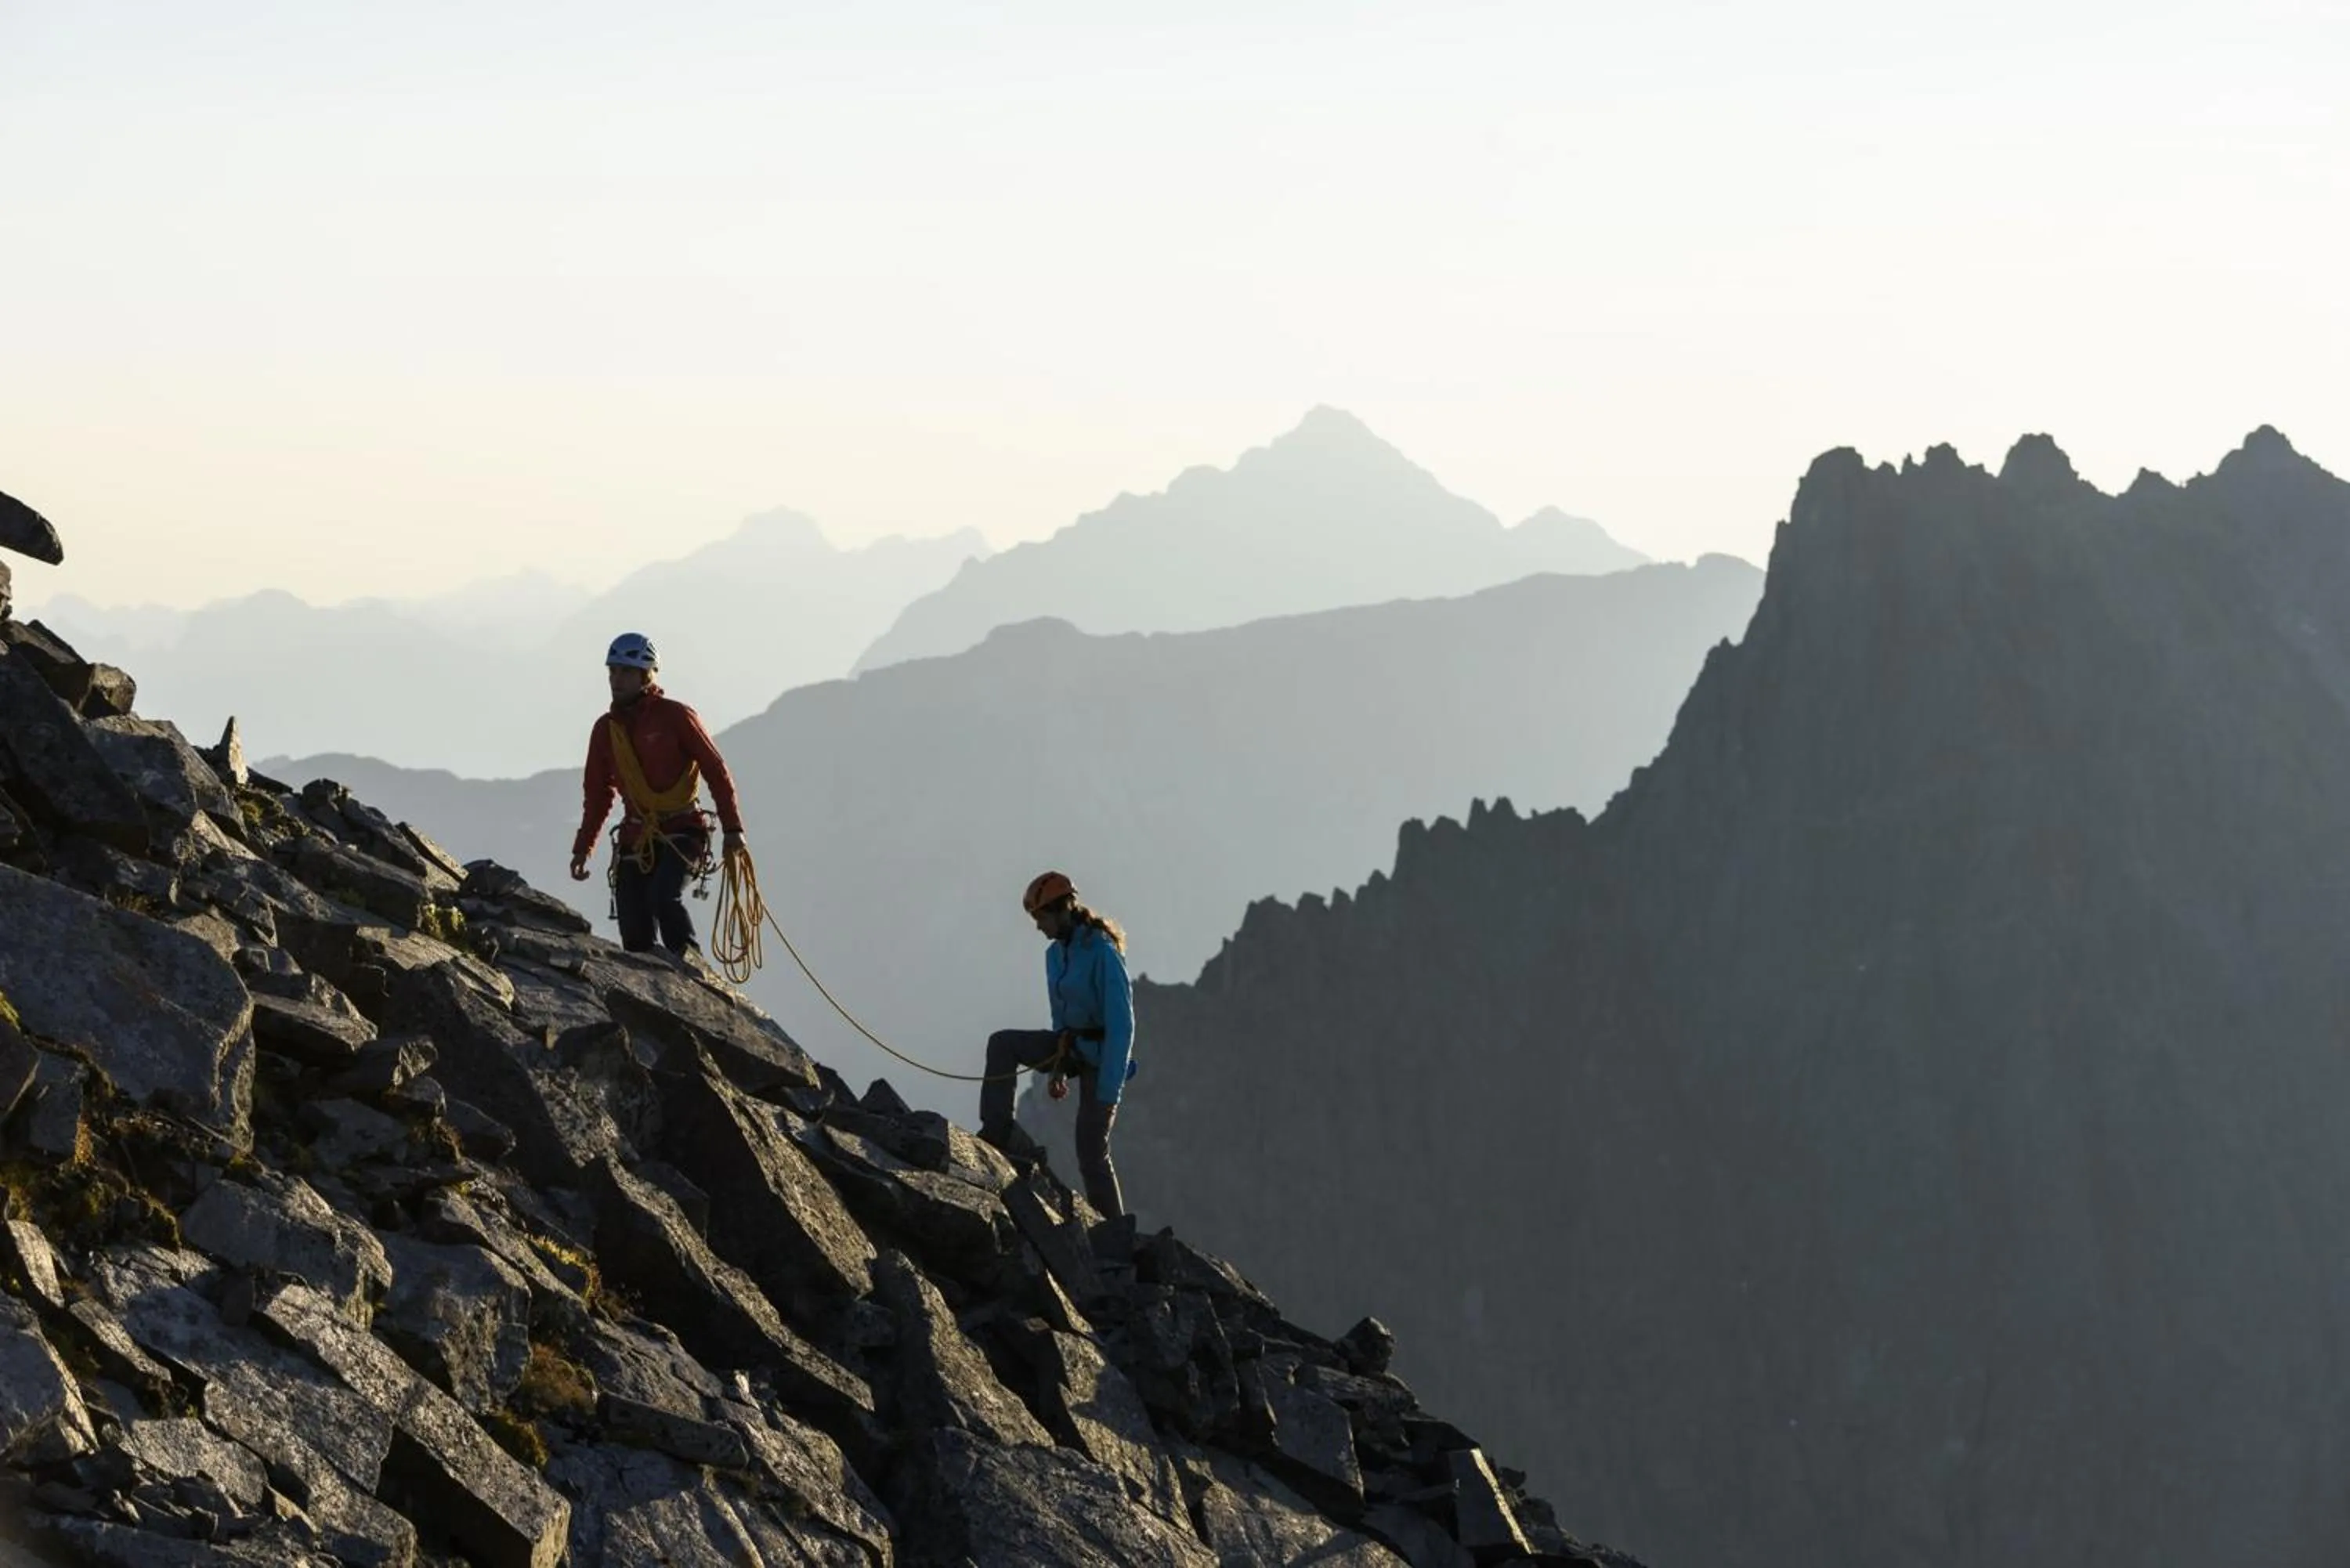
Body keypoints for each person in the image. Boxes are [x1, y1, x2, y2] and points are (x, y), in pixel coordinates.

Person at [569, 632, 747, 963]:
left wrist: (733, 829)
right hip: (636, 836)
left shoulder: (676, 717)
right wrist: (584, 847)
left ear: (645, 675)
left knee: (663, 898)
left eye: (625, 672)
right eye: (613, 671)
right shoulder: (606, 730)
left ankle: (692, 967)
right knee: (634, 932)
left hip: (683, 830)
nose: (616, 679)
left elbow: (715, 768)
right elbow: (597, 794)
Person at [979, 870, 1135, 1218]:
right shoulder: (1055, 955)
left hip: (1101, 1056)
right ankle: (998, 1130)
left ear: (1062, 910)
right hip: (1072, 1046)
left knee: (1091, 1149)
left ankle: (1114, 1232)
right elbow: (1061, 1018)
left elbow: (1122, 1027)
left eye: (1041, 918)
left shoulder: (1102, 953)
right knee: (1002, 1045)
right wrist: (1059, 1066)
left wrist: (1109, 1092)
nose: (1038, 927)